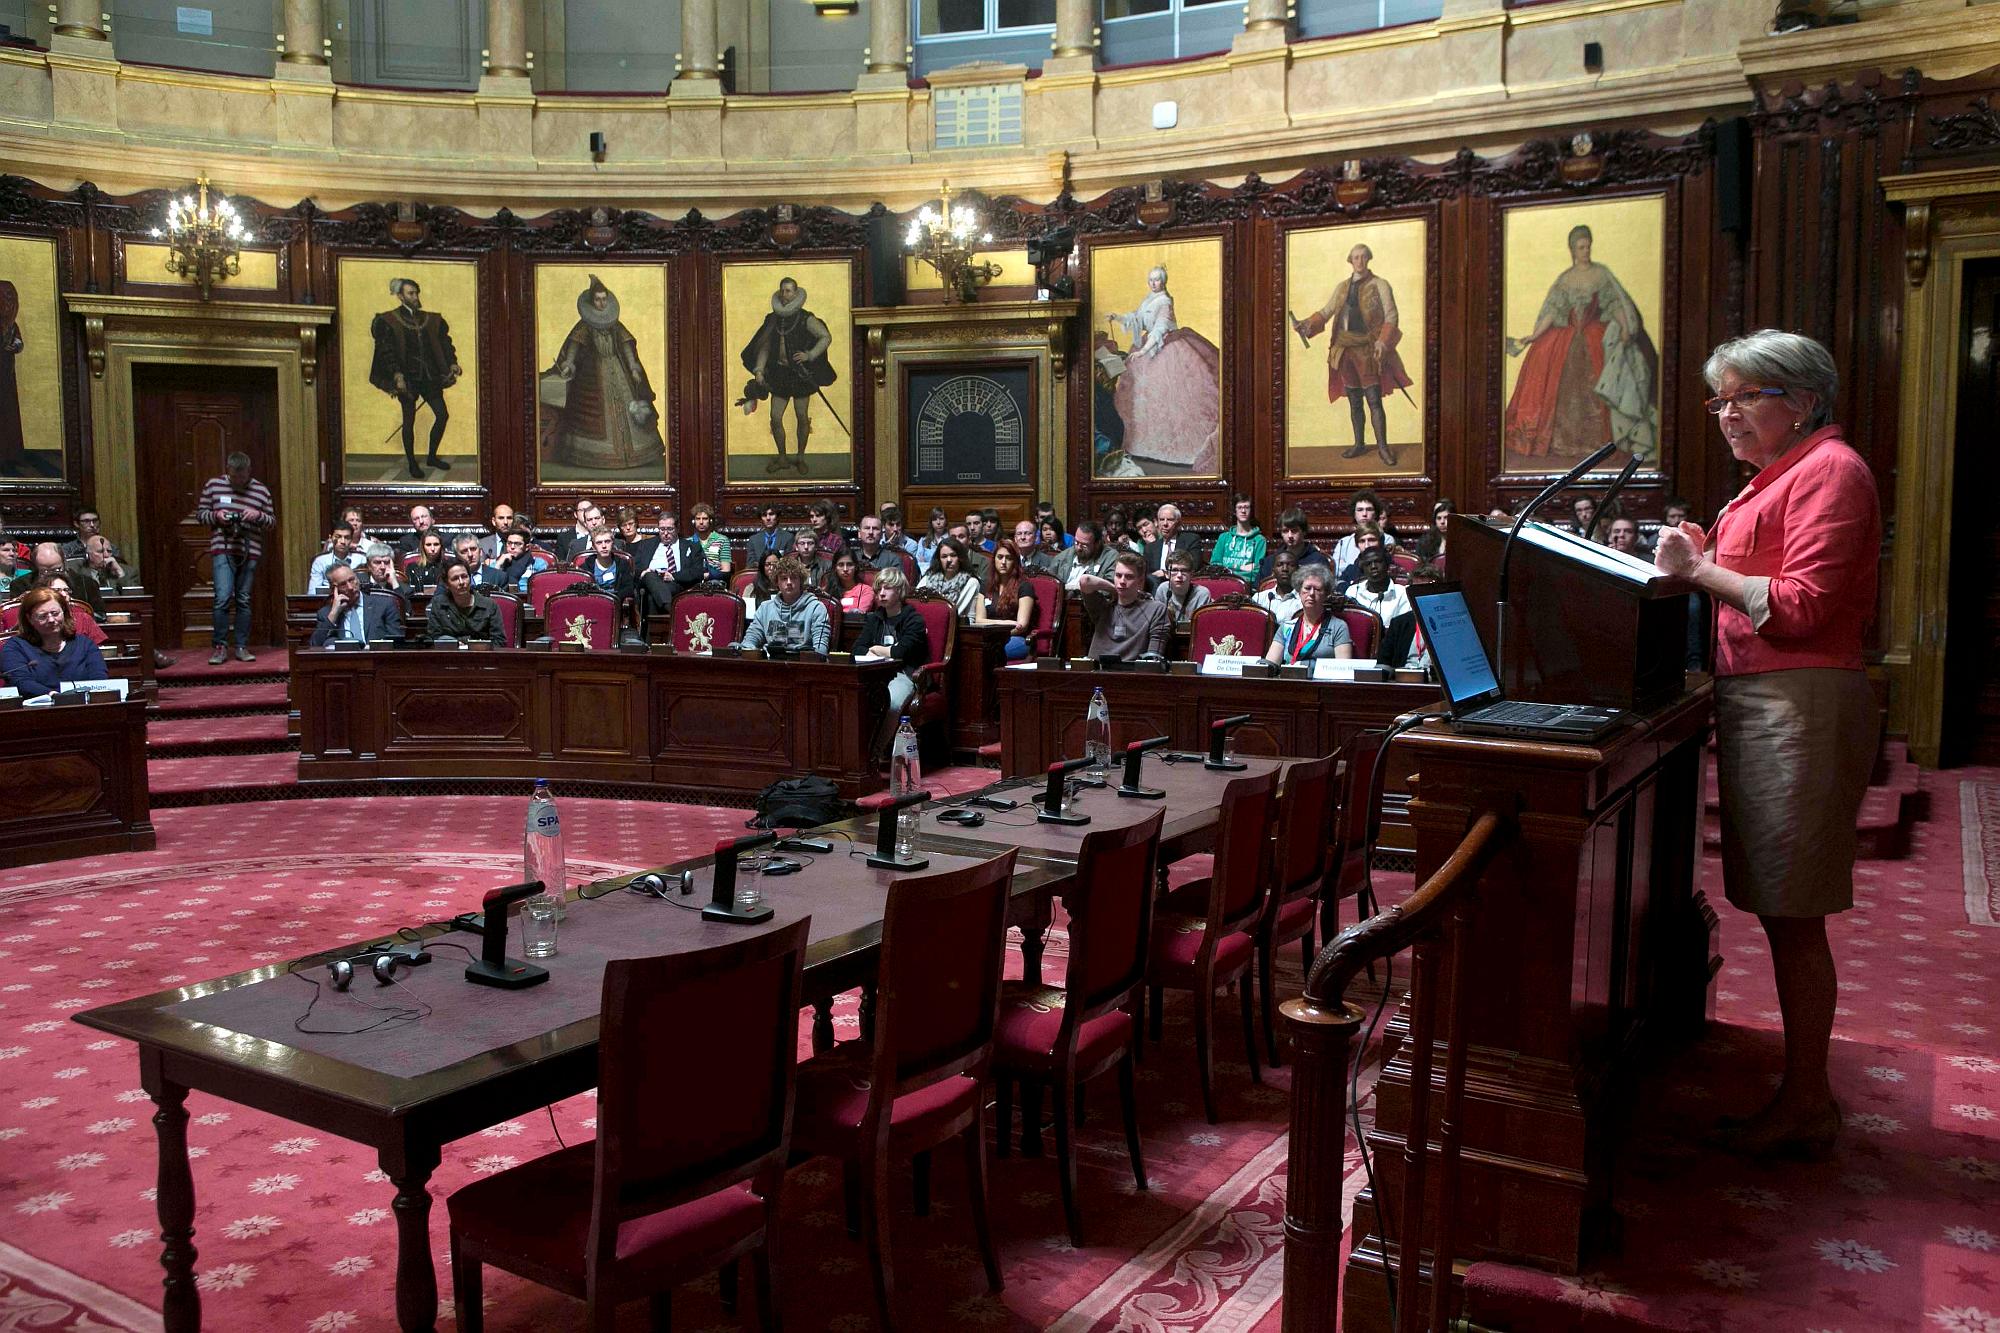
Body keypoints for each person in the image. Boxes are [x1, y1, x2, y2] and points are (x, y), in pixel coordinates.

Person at [1654, 329, 1879, 1160]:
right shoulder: (1779, 476)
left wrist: (1698, 569)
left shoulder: (1832, 471)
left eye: (1747, 396)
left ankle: (1808, 1098)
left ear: (1804, 399)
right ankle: (1803, 1087)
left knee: (1793, 912)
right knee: (1781, 905)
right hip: (1765, 697)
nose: (1728, 415)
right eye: (1721, 399)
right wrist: (1704, 560)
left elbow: (1806, 604)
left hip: (1803, 701)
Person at [1504, 223, 1659, 465]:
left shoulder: (1601, 274)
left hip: (1594, 336)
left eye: (1588, 246)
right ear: (1572, 250)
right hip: (1566, 341)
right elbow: (1553, 311)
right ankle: (1559, 443)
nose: (1585, 251)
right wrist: (1534, 336)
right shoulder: (1565, 280)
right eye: (1580, 247)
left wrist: (1626, 328)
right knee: (1557, 386)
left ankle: (1601, 444)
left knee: (1599, 386)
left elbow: (1614, 304)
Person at [1293, 243, 1413, 466]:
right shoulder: (1341, 288)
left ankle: (1383, 448)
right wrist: (1306, 324)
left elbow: (1391, 316)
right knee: (1355, 401)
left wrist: (1382, 342)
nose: (1359, 261)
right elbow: (1326, 312)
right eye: (1355, 257)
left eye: (1363, 257)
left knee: (1374, 400)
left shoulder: (1380, 285)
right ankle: (1359, 444)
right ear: (1350, 260)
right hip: (1343, 351)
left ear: (1369, 259)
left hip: (1367, 351)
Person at [1099, 264, 1221, 473]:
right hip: (1148, 350)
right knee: (1140, 398)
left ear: (1163, 281)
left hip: (1166, 349)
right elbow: (1137, 319)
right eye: (1151, 280)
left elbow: (1159, 330)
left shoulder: (1165, 301)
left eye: (1157, 280)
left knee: (1174, 397)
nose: (1153, 283)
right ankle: (1140, 446)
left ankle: (1178, 450)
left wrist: (1143, 351)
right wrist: (1117, 317)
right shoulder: (1150, 299)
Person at [539, 273, 666, 471]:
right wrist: (569, 364)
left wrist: (633, 367)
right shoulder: (584, 326)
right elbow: (573, 348)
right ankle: (596, 456)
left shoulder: (616, 325)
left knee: (630, 409)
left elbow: (626, 348)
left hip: (618, 372)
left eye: (604, 299)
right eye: (597, 299)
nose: (601, 303)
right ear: (592, 301)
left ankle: (634, 454)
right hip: (593, 376)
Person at [738, 276, 836, 476]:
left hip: (800, 375)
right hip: (780, 375)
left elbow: (825, 337)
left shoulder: (805, 318)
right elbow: (764, 346)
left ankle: (800, 457)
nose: (785, 294)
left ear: (796, 293)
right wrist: (759, 369)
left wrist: (810, 355)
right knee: (775, 417)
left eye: (789, 291)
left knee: (801, 416)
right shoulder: (773, 319)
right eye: (783, 290)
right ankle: (782, 457)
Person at [369, 277, 463, 480]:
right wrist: (397, 375)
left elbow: (444, 343)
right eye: (411, 293)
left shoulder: (431, 320)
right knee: (409, 420)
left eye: (416, 292)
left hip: (429, 377)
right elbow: (387, 351)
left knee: (442, 414)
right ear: (400, 296)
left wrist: (452, 362)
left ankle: (431, 457)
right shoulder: (389, 321)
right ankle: (412, 462)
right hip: (407, 379)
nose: (415, 296)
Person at [197, 450, 274, 665]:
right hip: (223, 547)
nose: (237, 482)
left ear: (249, 471)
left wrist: (258, 515)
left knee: (243, 599)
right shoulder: (213, 485)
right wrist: (217, 516)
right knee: (222, 597)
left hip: (250, 551)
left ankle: (241, 645)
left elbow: (271, 522)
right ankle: (220, 646)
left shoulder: (261, 490)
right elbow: (201, 514)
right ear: (227, 471)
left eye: (241, 477)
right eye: (233, 477)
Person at [858, 568, 929, 761]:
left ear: (899, 591)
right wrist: (882, 650)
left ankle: (874, 755)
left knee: (892, 703)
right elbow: (858, 649)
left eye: (887, 588)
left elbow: (900, 653)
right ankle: (856, 753)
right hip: (874, 674)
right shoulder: (874, 618)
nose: (881, 593)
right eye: (878, 588)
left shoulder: (914, 619)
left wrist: (875, 649)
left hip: (904, 674)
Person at [1, 588, 108, 695]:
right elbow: (21, 682)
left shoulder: (85, 644)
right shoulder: (15, 647)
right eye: (43, 616)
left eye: (55, 613)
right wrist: (54, 696)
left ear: (64, 613)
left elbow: (99, 678)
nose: (51, 620)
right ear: (29, 619)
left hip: (83, 705)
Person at [1077, 552, 1172, 661]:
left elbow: (1153, 659)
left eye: (1129, 577)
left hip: (1131, 674)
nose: (1122, 581)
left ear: (1140, 581)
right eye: (1118, 575)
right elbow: (1085, 581)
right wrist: (1115, 590)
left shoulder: (1155, 609)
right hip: (1096, 671)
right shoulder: (1104, 606)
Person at [1263, 567, 1354, 665]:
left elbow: (1343, 671)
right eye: (1307, 588)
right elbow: (1270, 666)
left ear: (1326, 594)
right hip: (1288, 678)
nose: (1311, 593)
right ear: (1299, 592)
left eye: (1318, 589)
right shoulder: (1286, 627)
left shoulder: (1338, 627)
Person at [741, 555, 831, 653]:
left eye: (793, 578)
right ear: (777, 582)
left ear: (800, 581)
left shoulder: (816, 608)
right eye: (784, 578)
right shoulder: (765, 608)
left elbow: (820, 648)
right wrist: (749, 649)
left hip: (803, 664)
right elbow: (750, 639)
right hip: (771, 663)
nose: (789, 582)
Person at [309, 563, 405, 647]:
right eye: (343, 584)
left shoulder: (384, 605)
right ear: (334, 589)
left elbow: (397, 642)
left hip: (376, 661)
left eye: (351, 580)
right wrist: (334, 614)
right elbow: (315, 645)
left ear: (357, 579)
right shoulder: (326, 613)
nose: (350, 587)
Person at [1343, 547, 1413, 661]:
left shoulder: (1402, 593)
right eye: (1368, 564)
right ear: (1362, 568)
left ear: (1387, 564)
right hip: (1358, 653)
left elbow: (1403, 631)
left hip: (1391, 653)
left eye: (1378, 561)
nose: (1373, 566)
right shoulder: (1352, 591)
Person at [638, 513, 704, 619]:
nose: (665, 533)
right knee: (650, 576)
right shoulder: (646, 545)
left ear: (677, 529)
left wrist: (673, 576)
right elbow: (635, 569)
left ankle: (652, 634)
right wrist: (643, 572)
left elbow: (698, 572)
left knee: (652, 597)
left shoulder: (691, 546)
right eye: (662, 529)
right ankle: (674, 612)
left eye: (670, 529)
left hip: (676, 585)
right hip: (650, 581)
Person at [424, 559, 506, 645]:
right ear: (446, 584)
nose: (461, 582)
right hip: (450, 655)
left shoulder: (489, 605)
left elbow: (499, 642)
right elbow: (433, 638)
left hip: (481, 655)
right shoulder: (439, 604)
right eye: (455, 579)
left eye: (464, 576)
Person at [975, 542, 1034, 659]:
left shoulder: (1024, 586)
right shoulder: (986, 584)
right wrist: (1005, 624)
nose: (1003, 562)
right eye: (1000, 557)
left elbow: (1021, 626)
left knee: (990, 652)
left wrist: (997, 632)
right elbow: (978, 620)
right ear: (994, 560)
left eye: (1008, 558)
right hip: (989, 637)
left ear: (1015, 562)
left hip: (1015, 639)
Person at [1329, 491, 1398, 571]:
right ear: (1354, 514)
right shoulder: (1343, 542)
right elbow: (1337, 570)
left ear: (1375, 514)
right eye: (1360, 510)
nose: (1364, 514)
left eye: (1369, 509)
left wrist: (1347, 566)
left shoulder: (1387, 539)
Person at [916, 537, 982, 619]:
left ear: (960, 558)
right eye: (944, 556)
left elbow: (971, 618)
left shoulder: (971, 583)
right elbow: (916, 606)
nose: (949, 560)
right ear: (939, 560)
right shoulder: (927, 579)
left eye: (953, 555)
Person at [1141, 503, 1202, 586]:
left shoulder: (1191, 540)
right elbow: (1145, 574)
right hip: (1156, 587)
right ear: (1157, 522)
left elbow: (1194, 567)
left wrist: (1166, 573)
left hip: (1182, 584)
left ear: (1178, 522)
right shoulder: (1150, 548)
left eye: (1170, 520)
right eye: (1161, 519)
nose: (1165, 524)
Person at [1210, 493, 1266, 583]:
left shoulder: (1259, 540)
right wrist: (1240, 567)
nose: (1243, 511)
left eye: (1246, 507)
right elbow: (1215, 565)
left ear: (1251, 510)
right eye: (1240, 507)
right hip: (1223, 582)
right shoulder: (1224, 538)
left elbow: (1256, 571)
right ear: (1234, 511)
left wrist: (1229, 568)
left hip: (1246, 585)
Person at [1048, 520, 1116, 591]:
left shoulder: (1110, 557)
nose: (1079, 548)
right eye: (1076, 542)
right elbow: (1049, 583)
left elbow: (1109, 590)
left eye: (1084, 545)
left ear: (1097, 544)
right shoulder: (1064, 556)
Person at [581, 528, 634, 611]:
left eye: (607, 541)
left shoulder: (622, 564)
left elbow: (629, 589)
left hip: (616, 605)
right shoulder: (586, 567)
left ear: (612, 543)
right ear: (593, 546)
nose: (604, 546)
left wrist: (612, 599)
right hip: (592, 606)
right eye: (599, 543)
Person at [1264, 508, 1327, 577]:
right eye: (1285, 531)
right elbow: (1260, 586)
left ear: (1304, 531)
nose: (1290, 536)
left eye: (1294, 531)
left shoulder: (1317, 560)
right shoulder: (1270, 561)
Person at [1154, 552, 1211, 622]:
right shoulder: (1162, 589)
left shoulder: (1202, 594)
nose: (1179, 575)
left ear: (1192, 574)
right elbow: (1157, 621)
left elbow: (1202, 624)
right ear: (1167, 574)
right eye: (1174, 570)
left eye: (1184, 570)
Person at [308, 528, 366, 594]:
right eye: (338, 537)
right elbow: (312, 592)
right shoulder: (320, 561)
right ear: (331, 538)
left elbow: (365, 588)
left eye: (347, 537)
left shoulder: (361, 559)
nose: (343, 541)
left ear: (351, 539)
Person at [1335, 522, 1387, 592]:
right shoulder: (1350, 570)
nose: (1366, 545)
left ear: (1380, 542)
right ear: (1357, 545)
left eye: (1371, 540)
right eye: (1362, 541)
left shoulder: (1392, 568)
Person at [1255, 549, 1302, 625]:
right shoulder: (1259, 598)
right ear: (1273, 571)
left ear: (1298, 571)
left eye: (1291, 565)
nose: (1285, 569)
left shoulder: (1304, 600)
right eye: (1280, 565)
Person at [359, 542, 411, 610]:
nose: (383, 567)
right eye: (377, 562)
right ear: (369, 565)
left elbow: (407, 611)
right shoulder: (359, 584)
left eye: (386, 562)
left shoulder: (405, 589)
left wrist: (394, 583)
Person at [824, 548, 874, 614]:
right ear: (835, 568)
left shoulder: (865, 590)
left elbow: (859, 615)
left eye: (849, 564)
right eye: (841, 565)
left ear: (856, 567)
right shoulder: (827, 591)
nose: (845, 569)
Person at [689, 503, 732, 576]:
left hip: (715, 580)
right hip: (694, 581)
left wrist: (708, 576)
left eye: (705, 519)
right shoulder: (688, 542)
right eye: (698, 519)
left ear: (710, 521)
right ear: (694, 521)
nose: (701, 522)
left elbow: (726, 570)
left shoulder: (722, 540)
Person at [406, 530, 449, 595]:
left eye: (436, 544)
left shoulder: (448, 567)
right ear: (423, 547)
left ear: (441, 546)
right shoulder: (412, 568)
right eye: (428, 545)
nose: (432, 548)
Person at [742, 550, 783, 615]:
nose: (771, 568)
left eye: (775, 564)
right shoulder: (751, 589)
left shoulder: (786, 587)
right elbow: (748, 615)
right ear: (762, 567)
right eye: (767, 565)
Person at [911, 507, 949, 573]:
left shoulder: (951, 539)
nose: (938, 522)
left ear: (946, 521)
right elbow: (919, 563)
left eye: (941, 519)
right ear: (931, 522)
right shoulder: (923, 541)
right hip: (926, 575)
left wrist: (926, 563)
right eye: (934, 519)